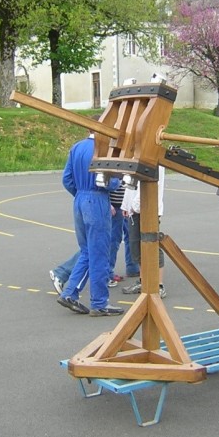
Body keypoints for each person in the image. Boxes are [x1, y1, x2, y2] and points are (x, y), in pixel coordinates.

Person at [56, 124, 124, 317]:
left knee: (87, 250)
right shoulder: (104, 150)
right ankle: (99, 302)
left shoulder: (77, 147)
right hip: (97, 199)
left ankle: (70, 292)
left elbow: (67, 179)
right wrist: (118, 180)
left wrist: (80, 196)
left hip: (79, 199)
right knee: (100, 252)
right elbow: (109, 183)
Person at [121, 166, 167, 298]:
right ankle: (143, 280)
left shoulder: (155, 161)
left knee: (152, 246)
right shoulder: (136, 156)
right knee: (137, 248)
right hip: (134, 210)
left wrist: (135, 206)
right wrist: (126, 204)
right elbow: (130, 184)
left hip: (148, 208)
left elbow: (153, 184)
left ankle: (159, 284)